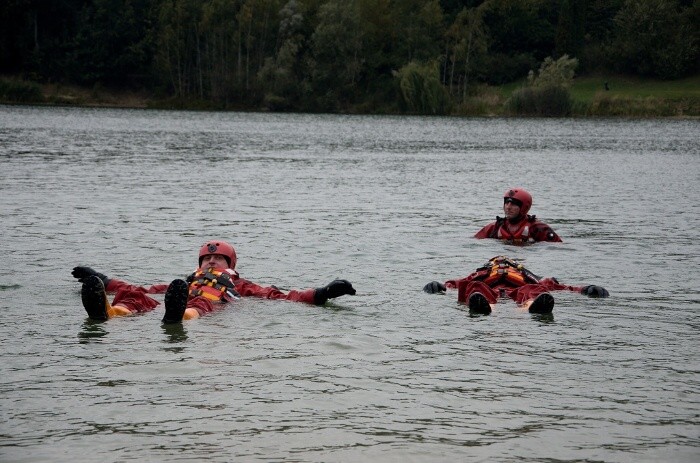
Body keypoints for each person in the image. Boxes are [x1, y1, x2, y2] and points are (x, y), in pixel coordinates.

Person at [73, 240, 356, 323]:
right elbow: (145, 289)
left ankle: (179, 315)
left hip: (205, 305)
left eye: (218, 259)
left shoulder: (240, 285)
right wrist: (101, 278)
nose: (211, 262)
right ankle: (110, 312)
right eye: (207, 259)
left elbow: (282, 296)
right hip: (173, 300)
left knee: (202, 301)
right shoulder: (184, 281)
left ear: (229, 265)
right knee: (134, 294)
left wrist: (323, 293)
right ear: (198, 264)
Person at [423, 255, 609, 314]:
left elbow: (553, 285)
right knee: (476, 288)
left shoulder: (526, 276)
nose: (502, 262)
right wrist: (439, 285)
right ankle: (485, 307)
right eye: (498, 261)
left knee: (532, 290)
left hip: (518, 291)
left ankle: (532, 307)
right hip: (489, 291)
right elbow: (457, 283)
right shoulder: (481, 274)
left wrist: (584, 289)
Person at [474, 188, 562, 244]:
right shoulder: (495, 227)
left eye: (513, 204)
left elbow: (557, 246)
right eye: (506, 203)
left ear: (524, 207)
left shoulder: (538, 228)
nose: (508, 207)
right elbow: (474, 242)